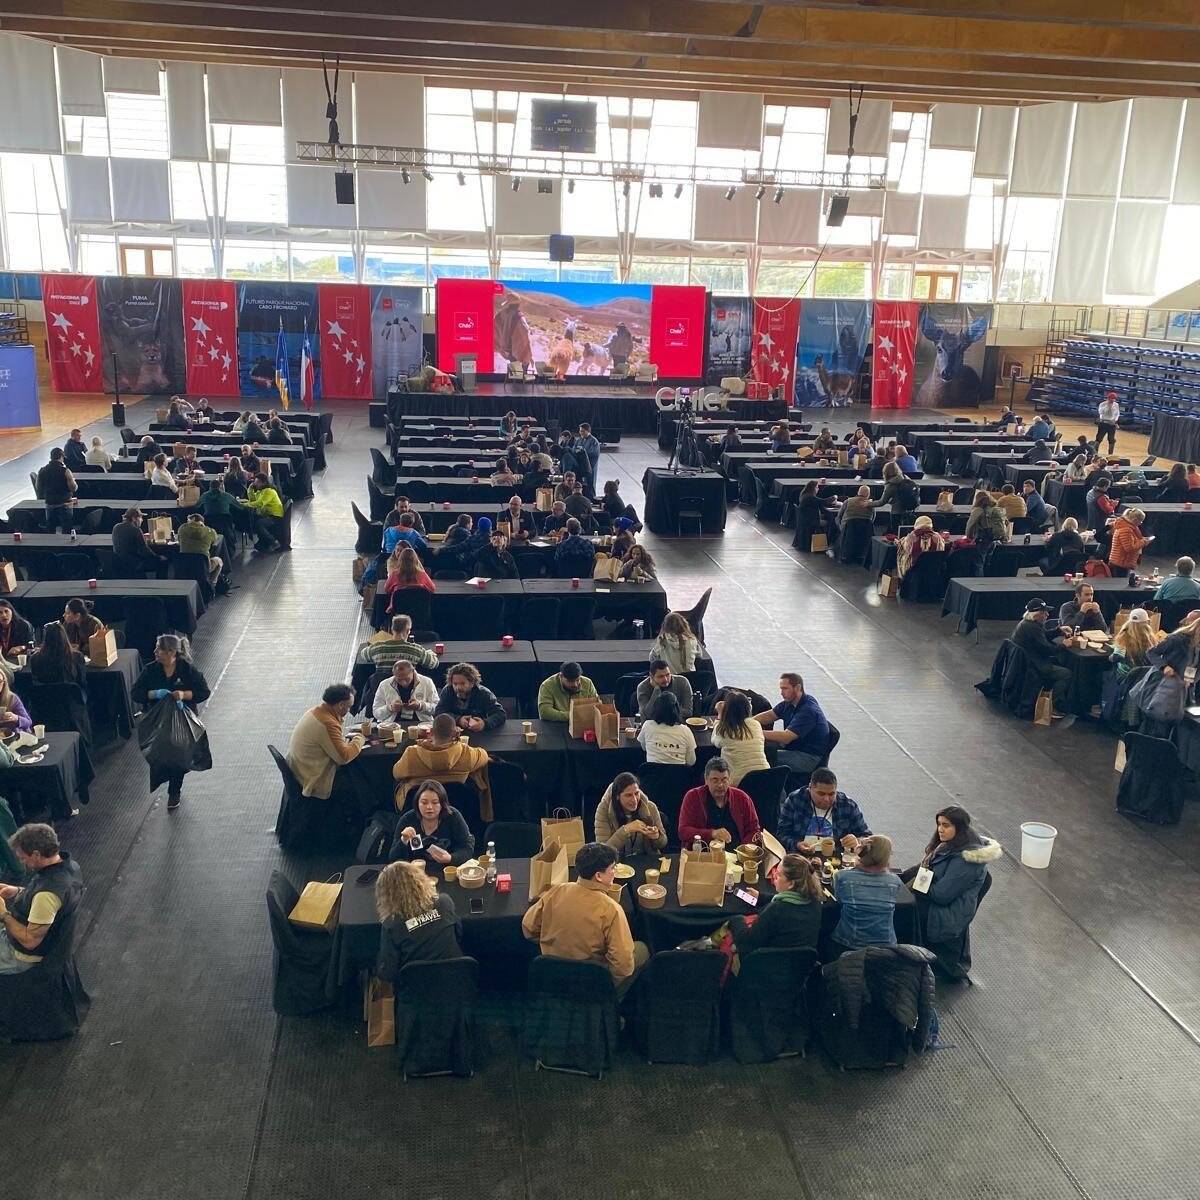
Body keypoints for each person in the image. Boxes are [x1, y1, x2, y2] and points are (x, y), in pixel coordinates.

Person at [522, 841, 649, 997]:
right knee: (642, 949)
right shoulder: (611, 909)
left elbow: (528, 928)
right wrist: (605, 983)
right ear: (599, 876)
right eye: (612, 868)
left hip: (552, 974)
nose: (614, 872)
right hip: (590, 981)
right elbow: (623, 966)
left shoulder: (558, 890)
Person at [901, 806, 1001, 978]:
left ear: (959, 827)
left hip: (946, 912)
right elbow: (924, 869)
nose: (940, 829)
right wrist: (899, 878)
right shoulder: (948, 845)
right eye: (939, 824)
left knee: (903, 910)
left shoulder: (967, 860)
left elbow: (942, 895)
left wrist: (917, 883)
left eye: (946, 825)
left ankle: (906, 958)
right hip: (937, 900)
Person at [131, 634, 211, 810]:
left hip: (182, 719)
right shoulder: (150, 670)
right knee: (159, 755)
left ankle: (174, 790)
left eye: (159, 649)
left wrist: (184, 695)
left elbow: (204, 692)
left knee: (178, 755)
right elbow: (136, 693)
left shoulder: (187, 670)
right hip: (157, 721)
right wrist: (153, 694)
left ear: (171, 652)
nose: (155, 652)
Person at [0, 823, 83, 975]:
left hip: (22, 955)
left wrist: (3, 913)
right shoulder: (70, 867)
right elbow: (47, 903)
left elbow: (30, 941)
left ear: (36, 855)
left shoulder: (47, 894)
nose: (22, 862)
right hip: (45, 938)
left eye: (23, 858)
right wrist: (18, 891)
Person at [375, 859, 463, 982]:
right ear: (421, 880)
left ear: (386, 894)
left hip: (415, 988)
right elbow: (459, 934)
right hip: (457, 982)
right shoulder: (444, 903)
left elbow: (388, 973)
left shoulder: (392, 924)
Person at [286, 683, 366, 804]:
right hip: (314, 778)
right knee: (360, 781)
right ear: (340, 705)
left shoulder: (315, 712)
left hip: (301, 771)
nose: (349, 711)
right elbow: (344, 757)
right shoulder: (327, 723)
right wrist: (359, 739)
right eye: (349, 707)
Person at [391, 713, 491, 809]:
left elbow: (396, 774)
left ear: (431, 732)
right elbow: (484, 755)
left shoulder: (411, 754)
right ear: (455, 733)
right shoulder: (467, 753)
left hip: (417, 809)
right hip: (455, 808)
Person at [729, 853, 823, 956]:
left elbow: (746, 944)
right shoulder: (816, 902)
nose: (774, 876)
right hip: (800, 963)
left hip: (764, 962)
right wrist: (761, 897)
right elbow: (789, 902)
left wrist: (736, 919)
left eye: (778, 874)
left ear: (791, 884)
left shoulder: (776, 910)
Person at [830, 835, 902, 954]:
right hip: (886, 946)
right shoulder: (895, 881)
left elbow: (839, 900)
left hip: (849, 943)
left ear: (861, 853)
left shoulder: (842, 876)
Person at [753, 672, 830, 775]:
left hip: (807, 757)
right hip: (793, 748)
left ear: (797, 688)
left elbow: (786, 737)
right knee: (758, 747)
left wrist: (754, 731)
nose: (781, 693)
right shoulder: (790, 703)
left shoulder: (808, 710)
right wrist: (747, 723)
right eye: (781, 689)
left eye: (785, 688)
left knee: (759, 757)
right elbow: (769, 716)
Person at [777, 767, 870, 852]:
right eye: (821, 794)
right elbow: (781, 834)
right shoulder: (795, 800)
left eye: (831, 794)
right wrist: (797, 844)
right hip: (801, 855)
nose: (826, 799)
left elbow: (868, 837)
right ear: (810, 788)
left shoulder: (848, 805)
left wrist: (857, 841)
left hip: (837, 856)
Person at [389, 779, 475, 867]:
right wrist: (403, 840)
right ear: (417, 803)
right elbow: (392, 857)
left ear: (442, 804)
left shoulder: (453, 816)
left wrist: (451, 858)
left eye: (435, 802)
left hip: (447, 869)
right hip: (415, 870)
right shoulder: (407, 819)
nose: (429, 807)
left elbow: (467, 848)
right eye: (424, 803)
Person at [679, 758, 761, 846]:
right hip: (703, 852)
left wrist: (743, 849)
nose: (720, 785)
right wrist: (712, 833)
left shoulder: (742, 798)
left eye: (724, 780)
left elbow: (754, 830)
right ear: (706, 779)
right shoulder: (693, 796)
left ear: (730, 779)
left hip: (736, 851)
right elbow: (683, 832)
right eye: (715, 780)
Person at [1011, 599, 1071, 719]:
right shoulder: (1033, 627)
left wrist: (1058, 631)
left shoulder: (1027, 624)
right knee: (1066, 674)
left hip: (1027, 661)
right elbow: (1047, 649)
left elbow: (1042, 637)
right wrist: (1064, 645)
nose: (1047, 615)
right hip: (1034, 665)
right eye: (1044, 612)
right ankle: (1052, 706)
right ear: (1036, 614)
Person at [593, 772, 668, 856]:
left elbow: (663, 843)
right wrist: (626, 830)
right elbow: (603, 852)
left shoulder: (650, 807)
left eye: (636, 793)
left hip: (646, 859)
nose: (634, 800)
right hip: (617, 861)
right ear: (617, 796)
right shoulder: (603, 810)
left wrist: (656, 836)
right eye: (628, 795)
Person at [709, 691, 769, 785]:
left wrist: (720, 715)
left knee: (706, 775)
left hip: (740, 783)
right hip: (766, 778)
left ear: (726, 710)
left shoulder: (725, 729)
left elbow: (714, 740)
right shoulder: (756, 724)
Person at [435, 662, 506, 731]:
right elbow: (439, 711)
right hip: (454, 731)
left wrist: (484, 723)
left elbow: (500, 714)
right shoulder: (447, 691)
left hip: (479, 732)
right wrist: (458, 719)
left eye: (462, 683)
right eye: (455, 684)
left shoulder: (484, 693)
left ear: (472, 683)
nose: (458, 687)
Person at [357, 614, 440, 672]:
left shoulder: (377, 647)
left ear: (392, 629)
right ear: (408, 631)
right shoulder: (416, 650)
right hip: (407, 688)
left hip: (383, 687)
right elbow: (434, 664)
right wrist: (430, 654)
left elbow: (363, 654)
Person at [28, 621, 87, 697]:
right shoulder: (77, 657)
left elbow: (35, 684)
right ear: (64, 636)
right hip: (72, 700)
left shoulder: (35, 658)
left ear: (45, 638)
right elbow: (82, 683)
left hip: (45, 700)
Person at [638, 691, 697, 766]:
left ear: (655, 709)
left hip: (652, 773)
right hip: (678, 773)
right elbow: (691, 761)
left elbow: (644, 747)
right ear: (677, 709)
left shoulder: (647, 725)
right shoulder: (685, 731)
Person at [373, 658, 438, 723]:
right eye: (399, 679)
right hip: (392, 723)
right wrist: (390, 708)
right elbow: (376, 713)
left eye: (407, 679)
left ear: (413, 672)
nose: (403, 683)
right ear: (394, 674)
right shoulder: (384, 685)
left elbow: (437, 709)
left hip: (421, 723)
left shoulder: (427, 682)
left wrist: (420, 706)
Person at [112, 507, 168, 578]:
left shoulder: (116, 527)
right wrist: (158, 557)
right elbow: (144, 551)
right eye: (140, 517)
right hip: (135, 564)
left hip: (119, 562)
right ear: (134, 518)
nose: (142, 520)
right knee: (163, 562)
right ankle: (160, 583)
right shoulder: (135, 530)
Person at [241, 473, 287, 552]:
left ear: (264, 483)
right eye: (255, 482)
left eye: (258, 482)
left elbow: (260, 503)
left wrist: (244, 504)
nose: (256, 484)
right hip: (267, 515)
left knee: (259, 523)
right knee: (254, 520)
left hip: (275, 516)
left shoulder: (269, 491)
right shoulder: (261, 491)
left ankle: (274, 542)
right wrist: (250, 489)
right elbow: (253, 500)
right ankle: (263, 542)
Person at [177, 511, 224, 588]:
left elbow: (179, 541)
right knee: (219, 561)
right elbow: (215, 541)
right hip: (203, 566)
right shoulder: (210, 531)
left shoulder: (182, 528)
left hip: (184, 566)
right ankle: (211, 586)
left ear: (192, 520)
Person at [1110, 608, 1162, 677]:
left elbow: (1115, 657)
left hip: (1126, 677)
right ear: (1147, 622)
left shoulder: (1123, 637)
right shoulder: (1151, 639)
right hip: (1146, 677)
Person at [37, 447, 77, 531]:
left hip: (49, 503)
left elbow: (38, 488)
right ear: (62, 457)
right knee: (67, 529)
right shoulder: (66, 471)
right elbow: (73, 488)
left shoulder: (42, 470)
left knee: (50, 529)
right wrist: (73, 481)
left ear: (51, 457)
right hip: (65, 504)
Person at [896, 516, 945, 581]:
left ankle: (902, 579)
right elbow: (942, 549)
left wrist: (898, 542)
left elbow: (904, 548)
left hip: (913, 572)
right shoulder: (938, 537)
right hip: (932, 572)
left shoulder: (911, 537)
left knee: (901, 555)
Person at [1108, 507, 1153, 576]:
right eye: (1140, 521)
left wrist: (1143, 540)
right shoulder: (1126, 530)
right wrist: (1143, 542)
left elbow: (1131, 541)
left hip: (1119, 561)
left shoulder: (1125, 527)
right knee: (1121, 581)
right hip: (1122, 562)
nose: (1140, 523)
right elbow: (1129, 548)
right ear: (1135, 520)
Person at [1096, 390, 1120, 455]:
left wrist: (1115, 420)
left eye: (1114, 399)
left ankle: (1110, 454)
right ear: (1108, 398)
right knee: (1099, 438)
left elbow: (1117, 414)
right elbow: (1101, 412)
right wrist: (1108, 406)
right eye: (1111, 398)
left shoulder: (1116, 405)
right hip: (1103, 423)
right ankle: (1095, 452)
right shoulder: (1102, 404)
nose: (1112, 400)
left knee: (1111, 440)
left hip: (1112, 424)